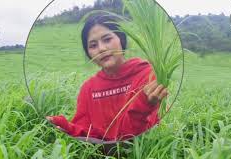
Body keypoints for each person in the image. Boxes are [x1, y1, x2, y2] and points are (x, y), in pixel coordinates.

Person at [46, 13, 168, 143]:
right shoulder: (89, 88)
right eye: (93, 45)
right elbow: (87, 134)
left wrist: (144, 103)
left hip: (144, 157)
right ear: (89, 54)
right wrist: (64, 125)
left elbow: (147, 133)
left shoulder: (148, 74)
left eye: (107, 39)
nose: (102, 49)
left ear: (121, 39)